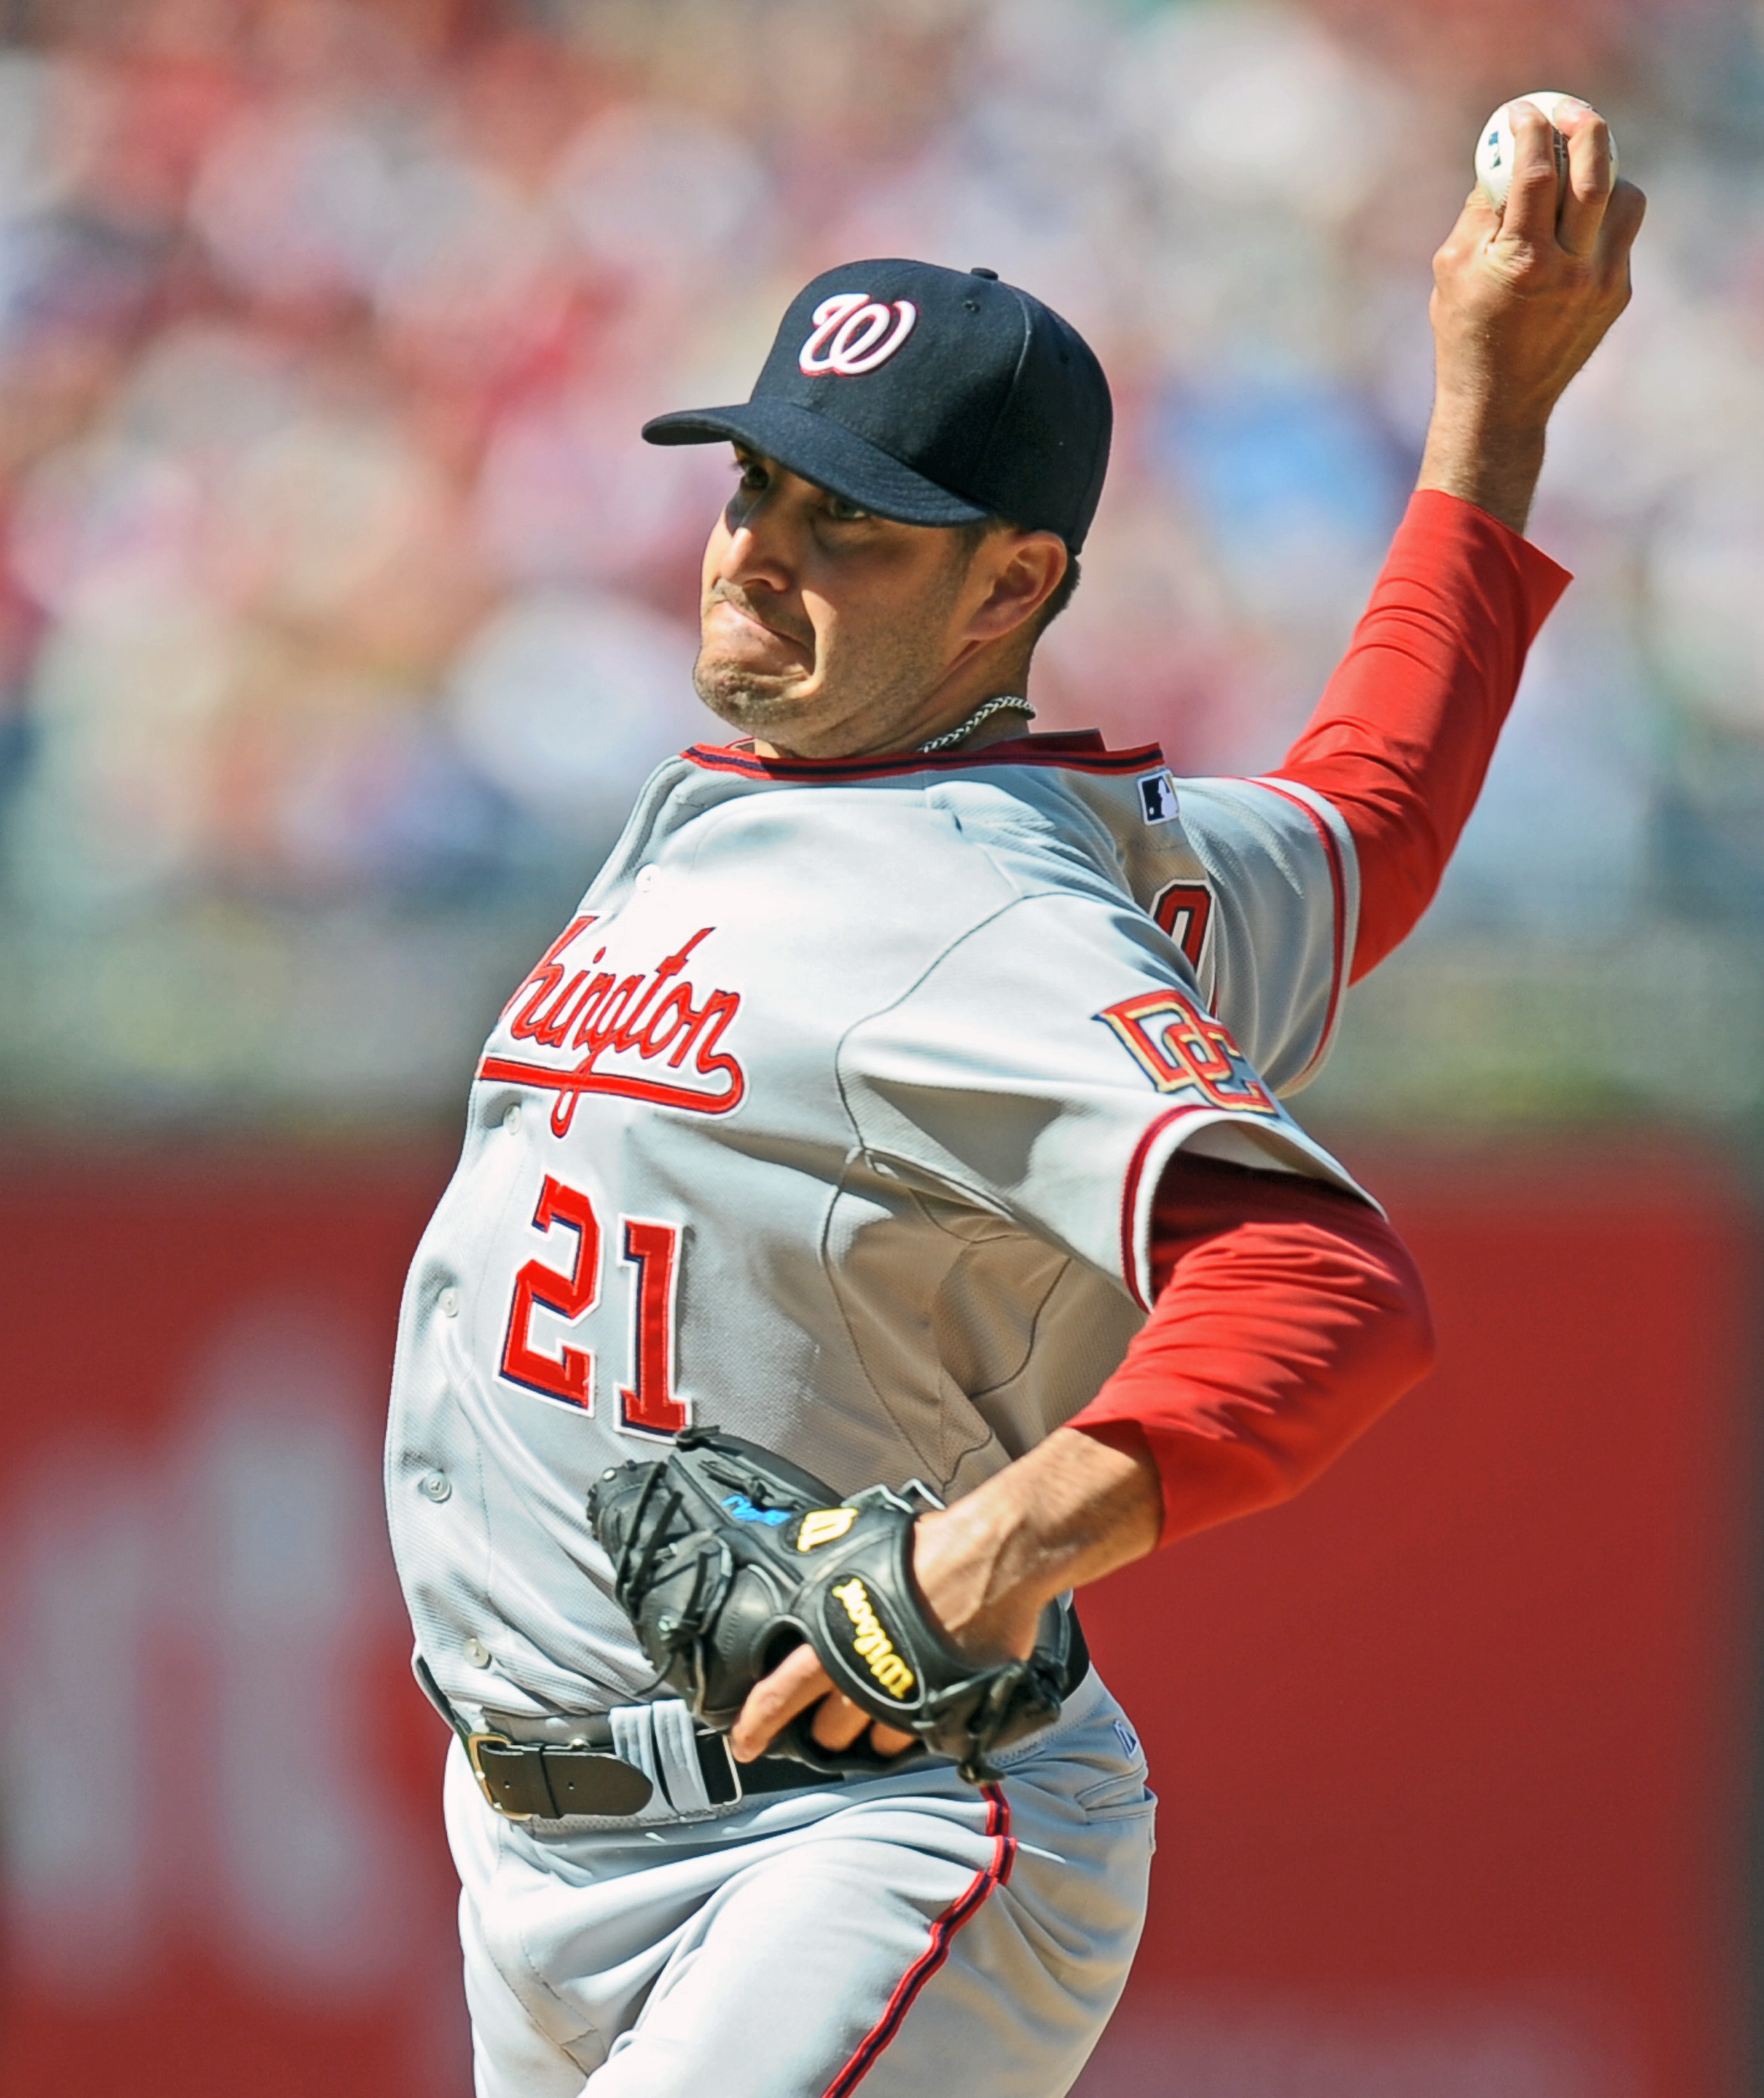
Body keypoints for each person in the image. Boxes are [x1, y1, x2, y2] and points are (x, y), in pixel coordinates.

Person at [386, 105, 1642, 2097]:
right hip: (549, 1847)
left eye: (851, 528)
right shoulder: (901, 820)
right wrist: (1488, 413)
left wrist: (994, 1552)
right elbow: (1360, 827)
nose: (762, 559)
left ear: (1009, 586)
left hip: (855, 1832)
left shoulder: (986, 914)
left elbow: (1323, 1290)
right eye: (758, 493)